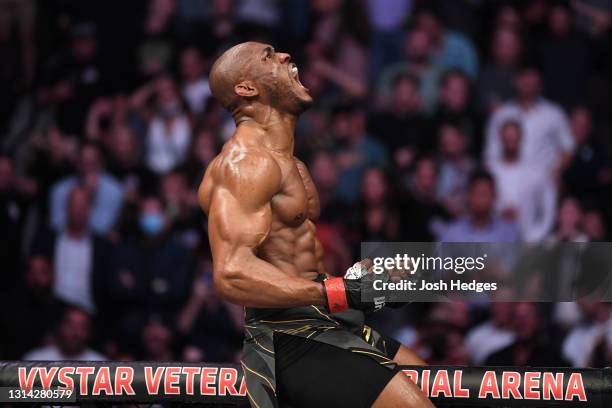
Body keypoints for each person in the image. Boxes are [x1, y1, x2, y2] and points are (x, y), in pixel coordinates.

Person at [199, 42, 432, 408]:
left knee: (441, 389)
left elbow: (298, 264)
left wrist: (363, 281)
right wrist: (340, 292)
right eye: (268, 56)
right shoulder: (245, 164)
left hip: (332, 322)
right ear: (247, 88)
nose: (285, 57)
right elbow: (231, 273)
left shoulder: (292, 163)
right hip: (291, 337)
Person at [22, 304, 105, 361]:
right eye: (71, 326)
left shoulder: (101, 366)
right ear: (59, 327)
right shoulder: (34, 361)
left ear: (89, 332)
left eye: (82, 327)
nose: (76, 333)